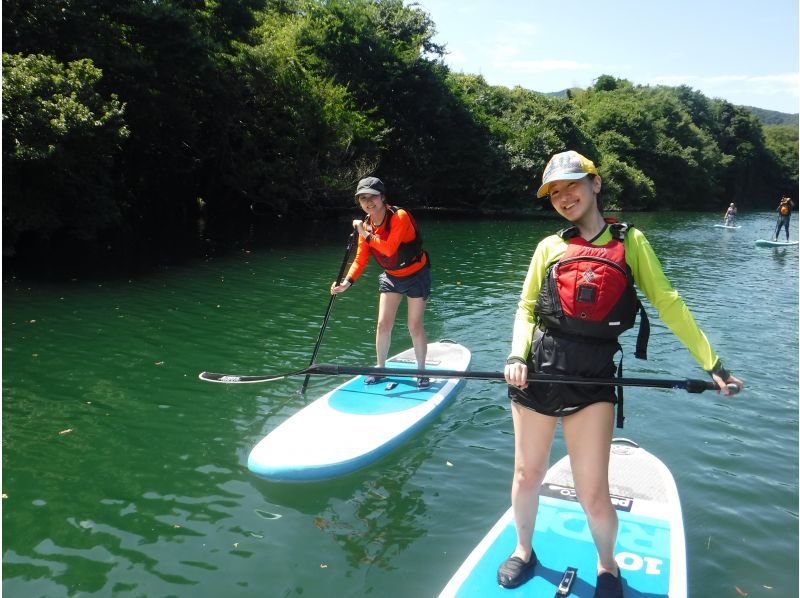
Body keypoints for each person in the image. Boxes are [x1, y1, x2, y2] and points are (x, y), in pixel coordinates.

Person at [498, 150, 744, 596]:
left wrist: (713, 364)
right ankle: (522, 549)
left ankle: (608, 566)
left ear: (595, 184)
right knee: (526, 475)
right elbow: (527, 307)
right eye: (554, 192)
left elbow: (669, 303)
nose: (564, 197)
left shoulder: (631, 243)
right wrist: (516, 356)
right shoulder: (549, 247)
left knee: (594, 493)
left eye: (571, 185)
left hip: (593, 381)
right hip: (536, 374)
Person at [331, 177, 432, 388]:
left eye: (373, 197)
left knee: (414, 325)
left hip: (416, 275)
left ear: (383, 197)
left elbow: (389, 248)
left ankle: (421, 371)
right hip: (392, 276)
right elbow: (360, 258)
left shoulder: (399, 217)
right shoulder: (367, 226)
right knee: (382, 324)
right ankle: (381, 369)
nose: (369, 202)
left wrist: (363, 232)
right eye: (363, 198)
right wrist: (347, 282)